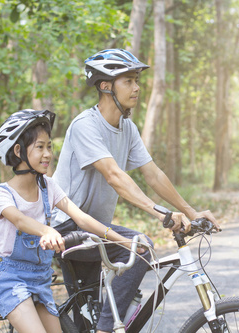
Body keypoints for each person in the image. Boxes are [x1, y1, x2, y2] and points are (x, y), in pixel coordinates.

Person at [52, 48, 220, 333]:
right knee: (140, 246)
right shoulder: (85, 126)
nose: (137, 87)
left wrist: (191, 211)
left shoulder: (127, 128)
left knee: (85, 324)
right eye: (128, 81)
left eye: (137, 80)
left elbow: (153, 174)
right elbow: (115, 176)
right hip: (66, 227)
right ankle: (108, 329)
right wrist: (161, 213)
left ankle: (103, 324)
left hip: (96, 229)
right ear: (106, 86)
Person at [0, 109, 137, 333]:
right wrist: (47, 230)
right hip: (9, 278)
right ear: (18, 151)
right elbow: (19, 220)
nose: (47, 154)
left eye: (49, 147)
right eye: (40, 147)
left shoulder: (49, 187)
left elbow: (82, 218)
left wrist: (122, 241)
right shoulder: (1, 194)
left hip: (40, 278)